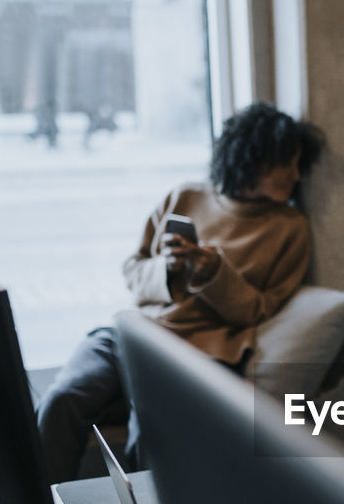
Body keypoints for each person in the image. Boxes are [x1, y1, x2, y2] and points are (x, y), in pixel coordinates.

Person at [37, 102, 324, 482]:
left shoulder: (290, 227)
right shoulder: (185, 197)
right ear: (252, 159)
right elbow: (133, 271)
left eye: (298, 163)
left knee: (153, 431)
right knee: (60, 401)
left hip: (196, 354)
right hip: (132, 335)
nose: (295, 174)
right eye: (285, 162)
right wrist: (169, 270)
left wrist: (213, 273)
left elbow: (257, 311)